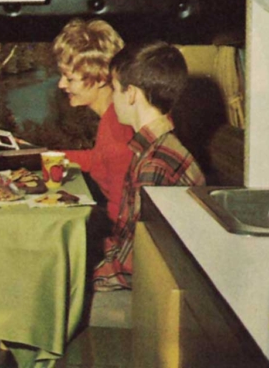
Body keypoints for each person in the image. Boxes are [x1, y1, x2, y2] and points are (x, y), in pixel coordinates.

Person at [95, 41, 206, 292]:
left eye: (114, 89)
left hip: (147, 288)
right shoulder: (153, 147)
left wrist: (85, 277)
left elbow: (136, 266)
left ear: (131, 93)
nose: (113, 99)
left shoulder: (154, 163)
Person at [53, 18, 134, 224]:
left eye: (69, 78)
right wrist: (45, 156)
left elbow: (122, 213)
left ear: (99, 78)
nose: (61, 84)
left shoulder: (119, 130)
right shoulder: (111, 117)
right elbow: (98, 160)